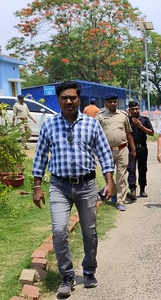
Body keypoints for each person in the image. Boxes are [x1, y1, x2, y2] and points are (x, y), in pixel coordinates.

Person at [32, 81, 115, 297]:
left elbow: (105, 154)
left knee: (90, 232)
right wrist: (37, 186)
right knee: (59, 231)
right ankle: (67, 277)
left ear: (79, 99)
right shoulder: (49, 125)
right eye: (65, 98)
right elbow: (40, 157)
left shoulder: (91, 124)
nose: (69, 101)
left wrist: (109, 181)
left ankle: (88, 271)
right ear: (58, 100)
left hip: (86, 185)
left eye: (73, 97)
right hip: (59, 186)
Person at [96, 94, 136, 211]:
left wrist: (133, 149)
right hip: (106, 151)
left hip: (122, 149)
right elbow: (96, 134)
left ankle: (120, 200)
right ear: (106, 103)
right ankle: (112, 192)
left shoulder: (123, 116)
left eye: (115, 102)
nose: (113, 104)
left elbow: (128, 133)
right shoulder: (100, 117)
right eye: (111, 102)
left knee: (121, 176)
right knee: (107, 174)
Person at [127, 101, 154, 199]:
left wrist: (140, 126)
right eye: (133, 109)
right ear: (129, 110)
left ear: (139, 109)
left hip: (142, 148)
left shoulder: (144, 119)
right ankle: (132, 190)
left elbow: (151, 133)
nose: (135, 111)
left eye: (136, 109)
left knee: (143, 169)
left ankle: (142, 189)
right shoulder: (127, 120)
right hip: (130, 149)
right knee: (131, 169)